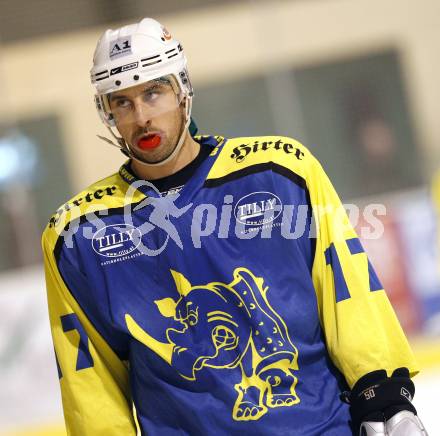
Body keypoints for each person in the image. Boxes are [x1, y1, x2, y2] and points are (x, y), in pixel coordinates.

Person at [41, 18, 428, 436]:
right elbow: (88, 373)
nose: (141, 117)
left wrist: (383, 394)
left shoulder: (280, 171)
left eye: (153, 92)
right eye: (123, 102)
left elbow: (346, 288)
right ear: (107, 112)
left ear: (182, 89)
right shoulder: (77, 234)